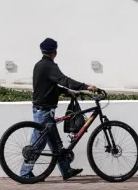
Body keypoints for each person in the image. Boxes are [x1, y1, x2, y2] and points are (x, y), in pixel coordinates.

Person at [19, 37, 98, 181]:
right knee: (39, 142)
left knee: (55, 143)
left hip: (42, 108)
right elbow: (64, 80)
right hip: (44, 110)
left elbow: (49, 86)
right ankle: (25, 173)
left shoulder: (39, 65)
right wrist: (85, 86)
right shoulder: (49, 66)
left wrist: (67, 92)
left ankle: (65, 170)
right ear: (54, 52)